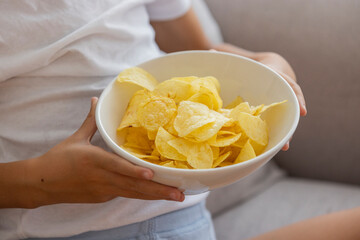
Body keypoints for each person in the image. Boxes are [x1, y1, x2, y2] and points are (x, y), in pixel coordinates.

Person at [8, 0, 356, 239]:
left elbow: (198, 52)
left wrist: (264, 64)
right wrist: (36, 181)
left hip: (179, 208)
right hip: (65, 227)